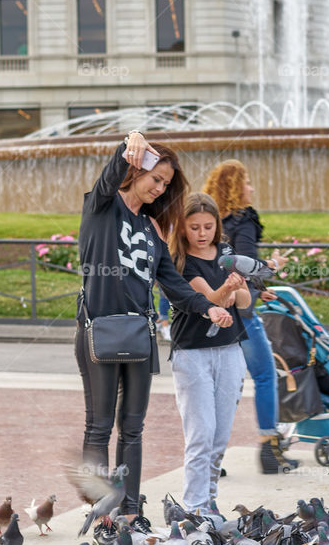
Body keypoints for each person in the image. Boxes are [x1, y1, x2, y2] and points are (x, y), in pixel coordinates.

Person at [76, 130, 233, 519]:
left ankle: (130, 510)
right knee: (99, 426)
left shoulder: (151, 229)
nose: (160, 189)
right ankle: (101, 511)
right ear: (137, 169)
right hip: (100, 332)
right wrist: (132, 143)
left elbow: (174, 283)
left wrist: (207, 308)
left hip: (139, 336)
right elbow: (111, 175)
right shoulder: (101, 207)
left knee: (133, 427)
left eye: (165, 184)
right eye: (155, 179)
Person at [202, 159, 299, 474]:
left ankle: (212, 459)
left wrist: (259, 287)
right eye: (247, 182)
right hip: (241, 314)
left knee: (222, 386)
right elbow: (242, 262)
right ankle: (270, 451)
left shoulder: (209, 223)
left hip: (212, 309)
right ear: (235, 187)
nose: (252, 188)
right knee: (265, 376)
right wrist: (269, 267)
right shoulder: (244, 219)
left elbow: (220, 264)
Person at [167, 192, 250, 512]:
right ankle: (195, 508)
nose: (202, 234)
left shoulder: (227, 252)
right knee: (201, 436)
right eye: (194, 227)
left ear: (217, 225)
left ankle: (210, 502)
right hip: (193, 354)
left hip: (230, 351)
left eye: (208, 226)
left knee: (219, 438)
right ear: (182, 228)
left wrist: (238, 289)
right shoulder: (180, 262)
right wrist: (228, 289)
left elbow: (245, 303)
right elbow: (208, 301)